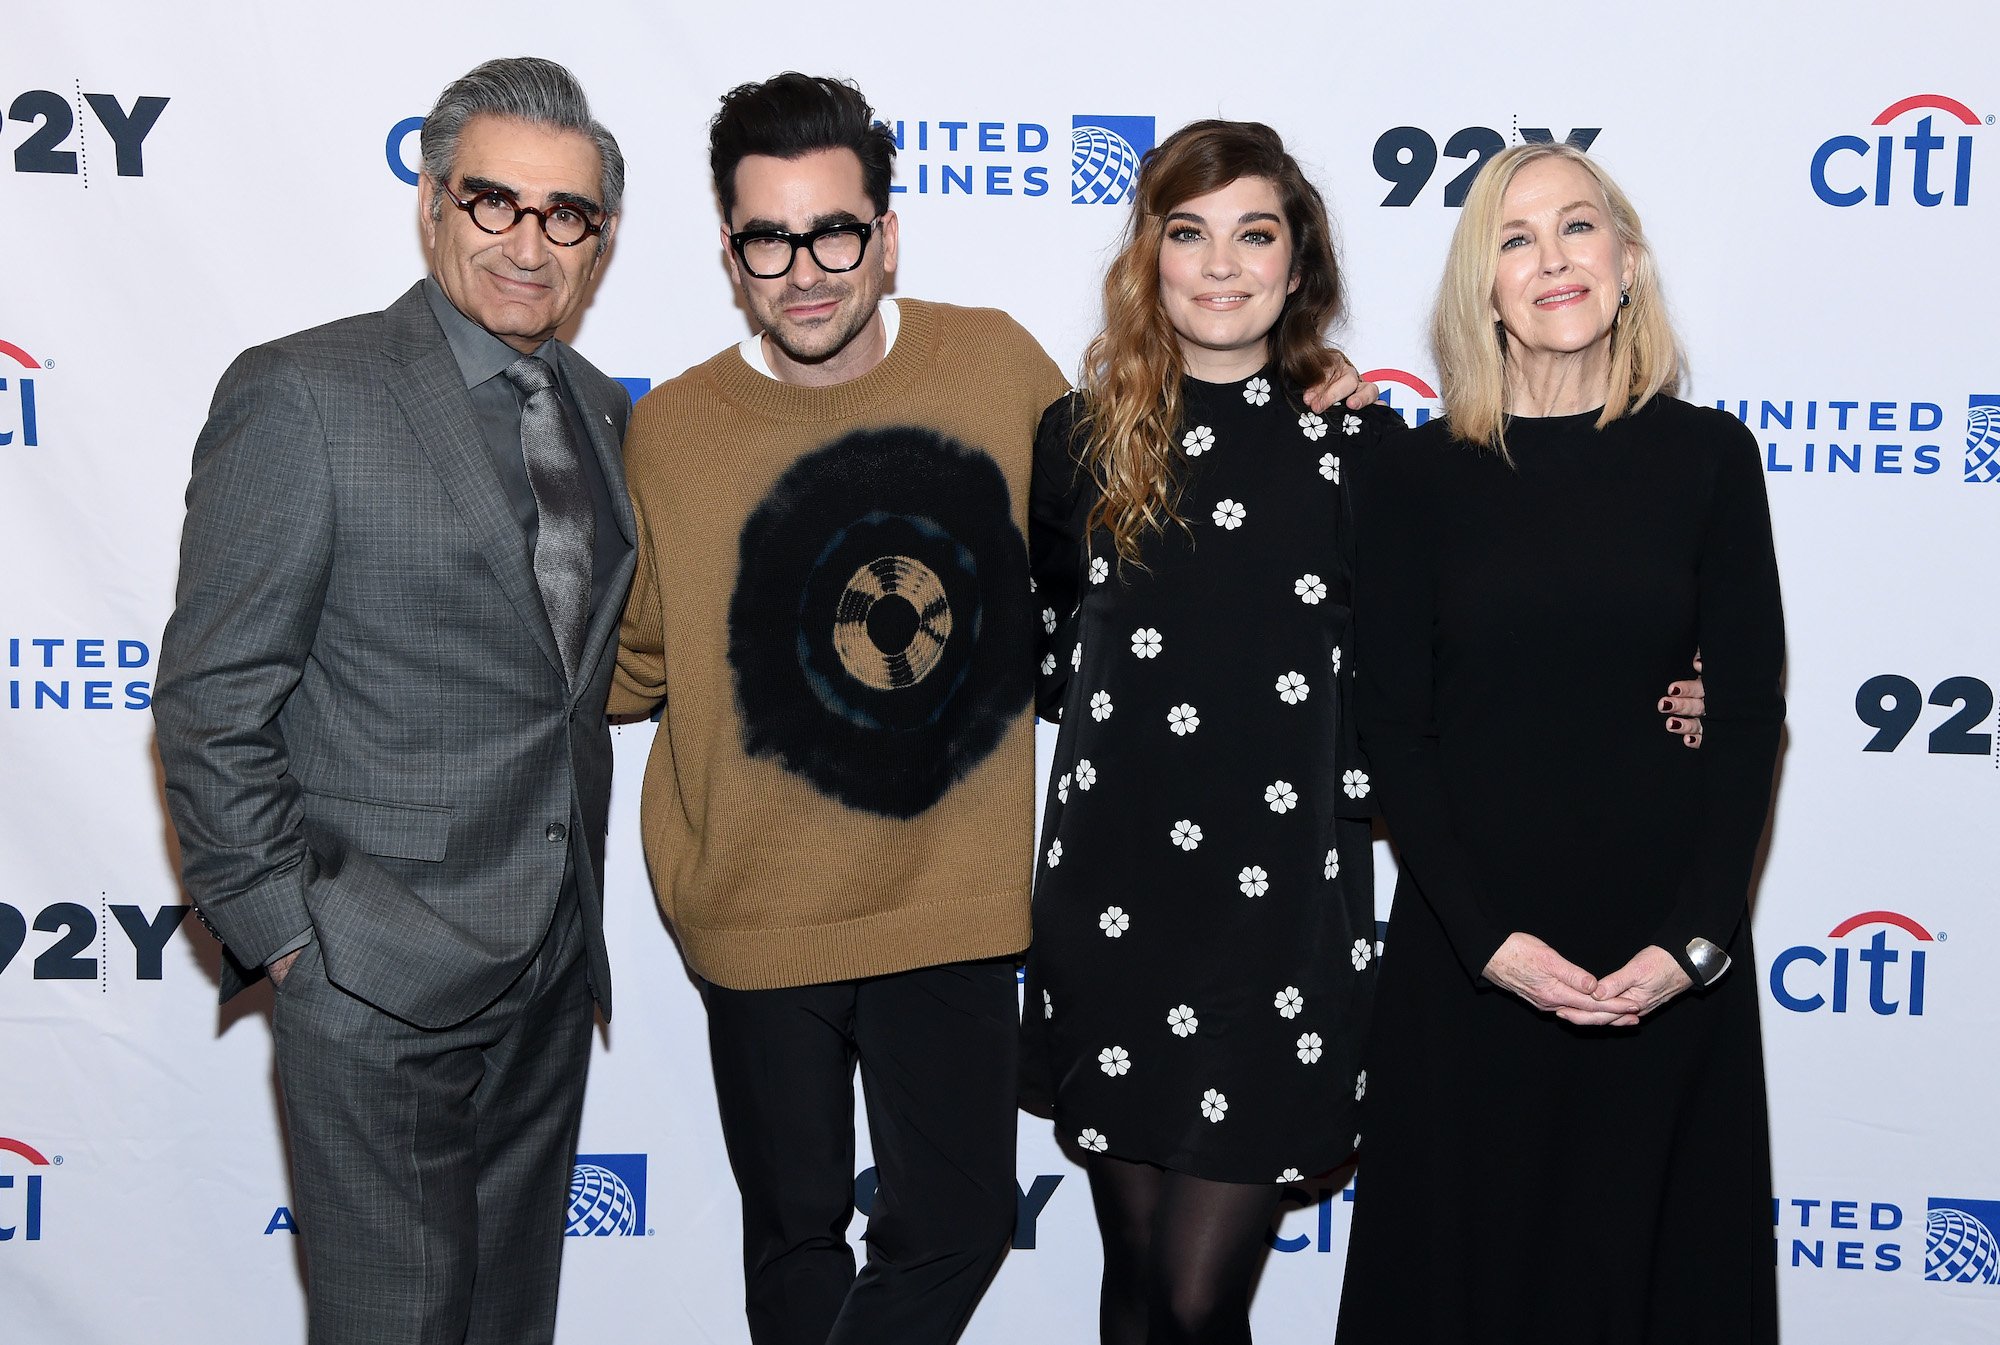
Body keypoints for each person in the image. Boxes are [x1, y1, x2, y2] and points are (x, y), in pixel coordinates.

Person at [610, 74, 1373, 1345]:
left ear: (886, 233)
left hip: (953, 905)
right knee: (795, 1242)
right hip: (753, 914)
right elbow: (631, 653)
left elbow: (1164, 505)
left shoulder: (998, 369)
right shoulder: (671, 428)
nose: (805, 268)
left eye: (835, 231)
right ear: (729, 252)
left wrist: (1311, 394)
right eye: (768, 238)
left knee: (963, 1232)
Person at [153, 57, 634, 1344]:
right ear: (431, 203)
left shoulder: (593, 407)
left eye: (566, 215)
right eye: (494, 202)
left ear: (596, 240)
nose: (528, 243)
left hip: (543, 967)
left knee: (504, 1321)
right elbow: (212, 695)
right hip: (370, 974)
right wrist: (294, 939)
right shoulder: (305, 392)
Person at [1335, 142, 1783, 1344]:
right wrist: (1485, 943)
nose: (1550, 260)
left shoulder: (1709, 460)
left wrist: (1693, 941)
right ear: (1481, 286)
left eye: (1576, 228)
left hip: (1660, 952)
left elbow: (1745, 718)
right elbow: (1393, 731)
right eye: (1514, 239)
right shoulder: (1412, 477)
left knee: (1649, 1285)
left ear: (1625, 263)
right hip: (1466, 954)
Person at [1020, 120, 1399, 1345]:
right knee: (1132, 1277)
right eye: (1188, 232)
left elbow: (1447, 663)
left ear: (1299, 266)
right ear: (1149, 257)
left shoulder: (1364, 453)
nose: (1221, 264)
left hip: (1278, 924)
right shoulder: (1077, 439)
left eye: (1254, 233)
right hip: (1114, 907)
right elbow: (1042, 656)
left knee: (1194, 1299)